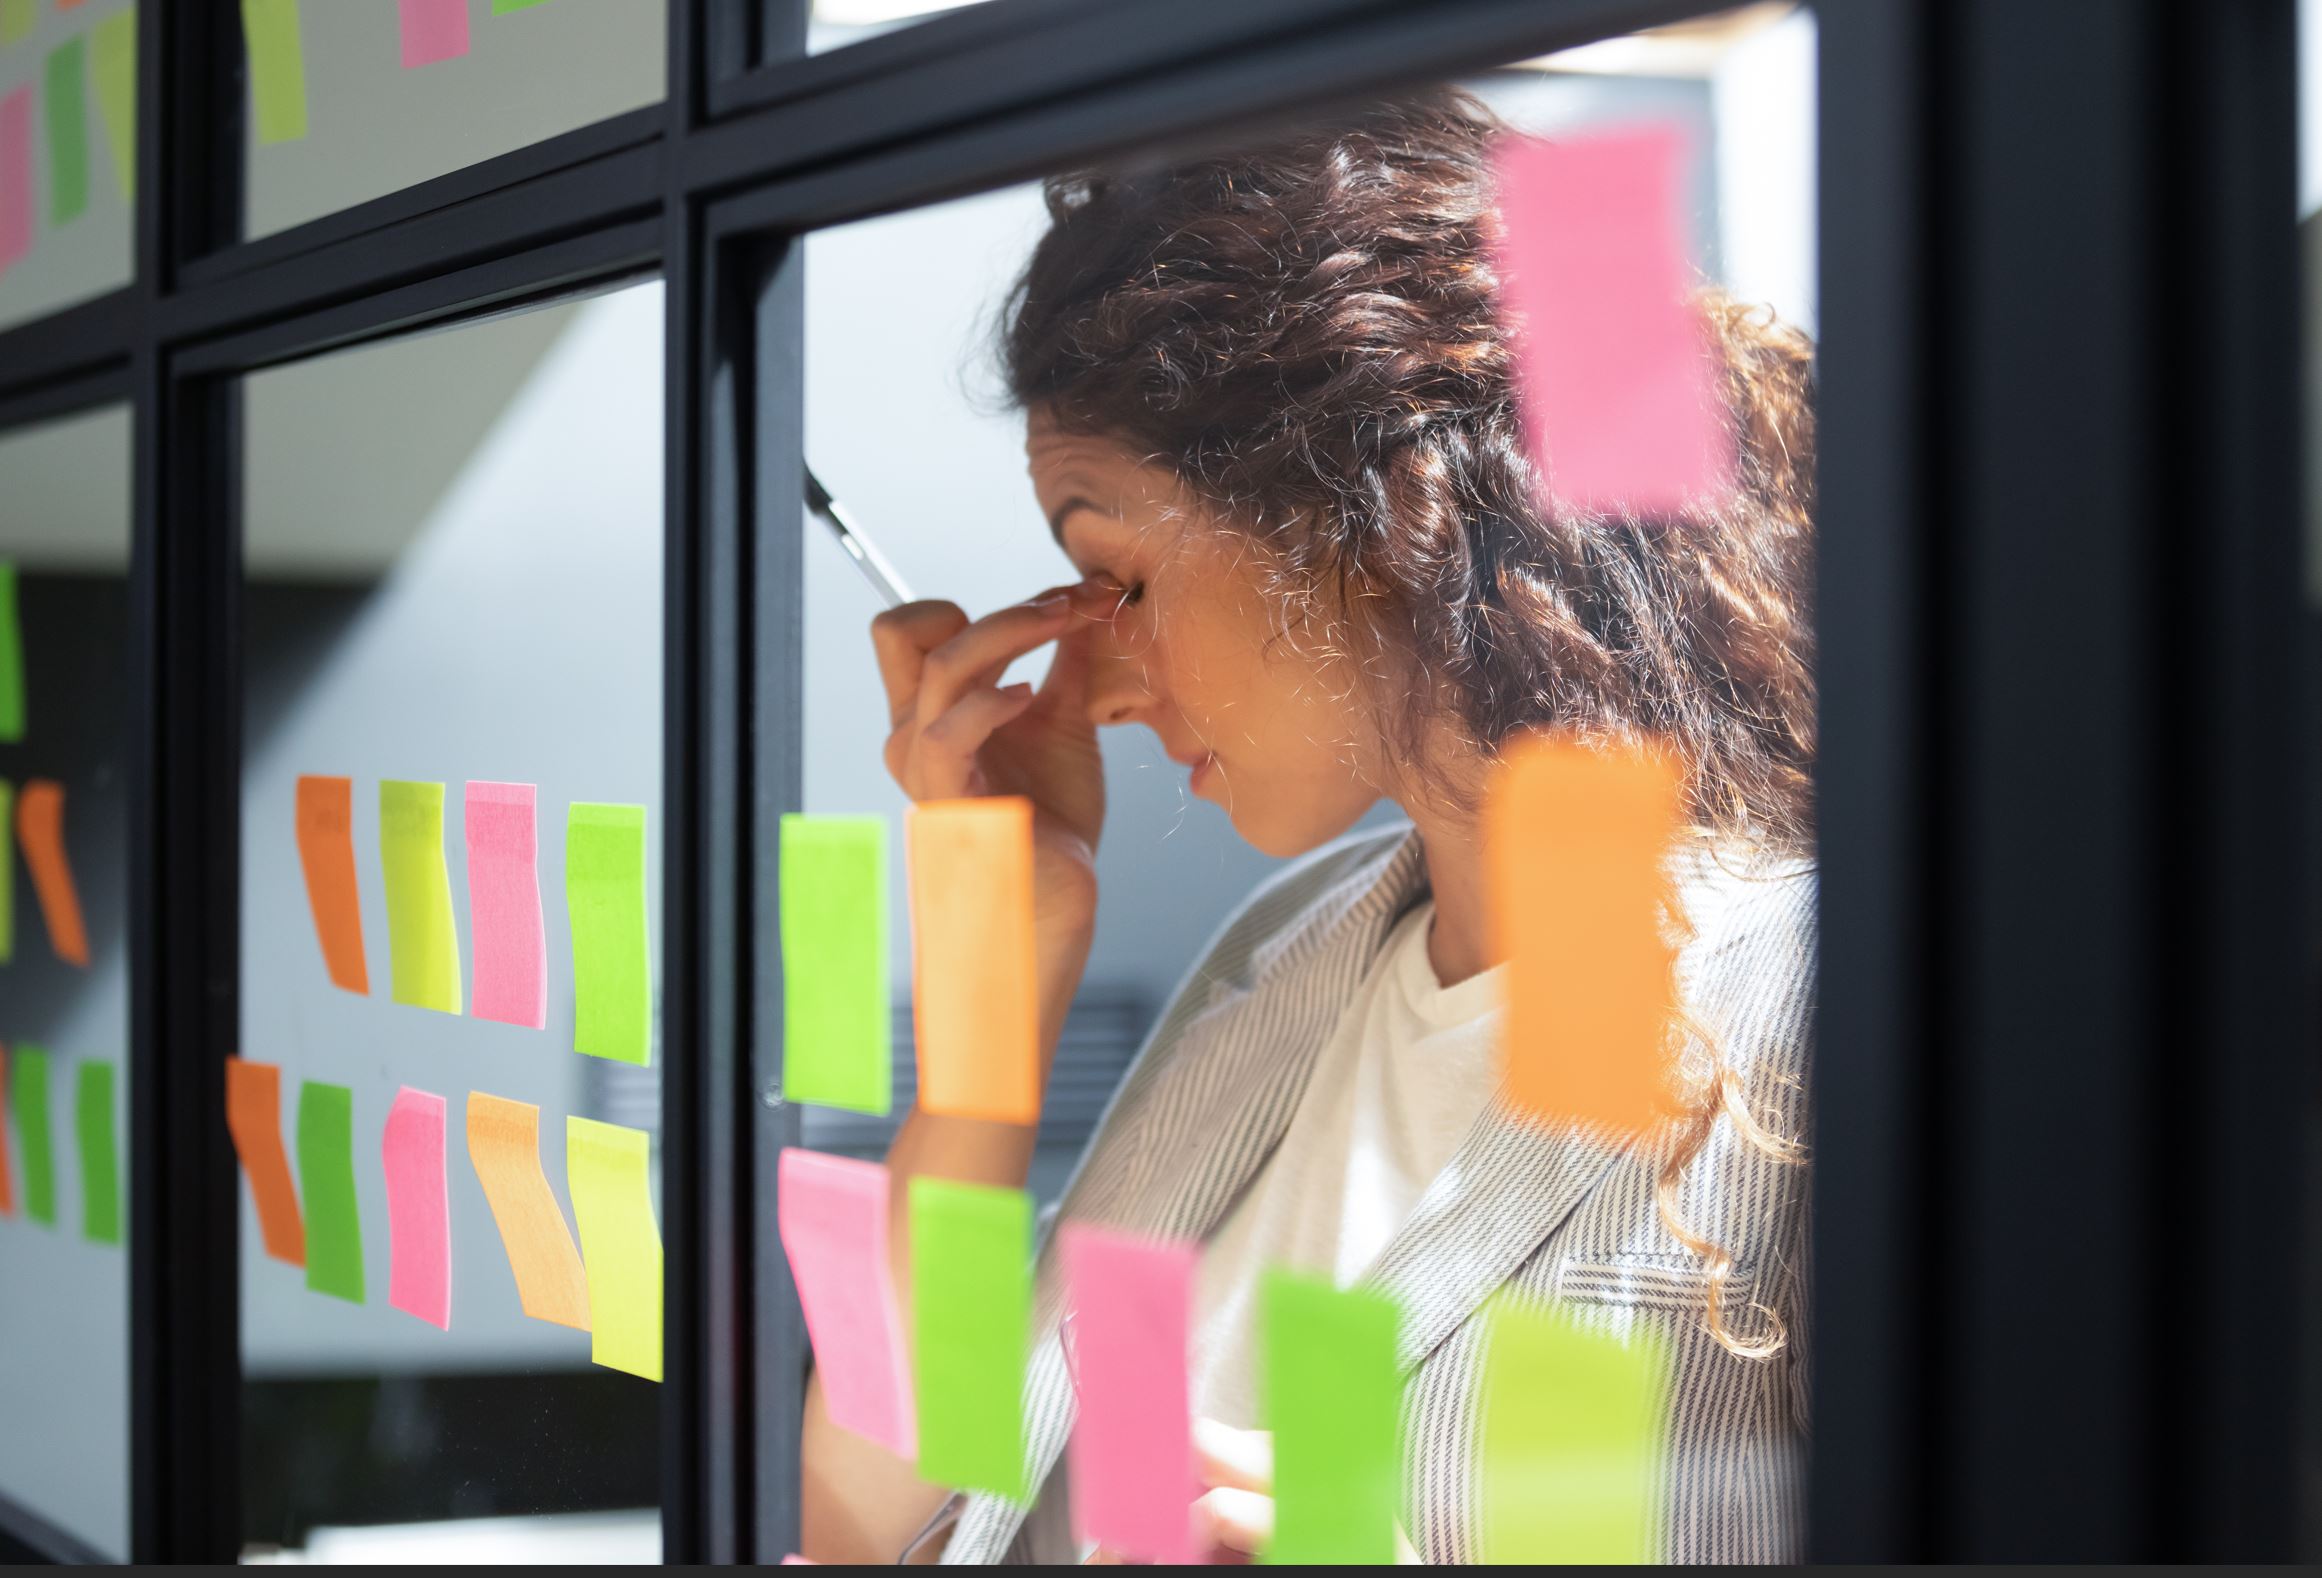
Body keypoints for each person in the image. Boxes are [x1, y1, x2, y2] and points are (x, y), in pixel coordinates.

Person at [800, 87, 1816, 1565]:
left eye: (1122, 582)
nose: (1095, 687)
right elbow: (865, 1518)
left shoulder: (1817, 1016)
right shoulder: (1285, 951)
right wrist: (993, 978)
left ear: (1385, 512)